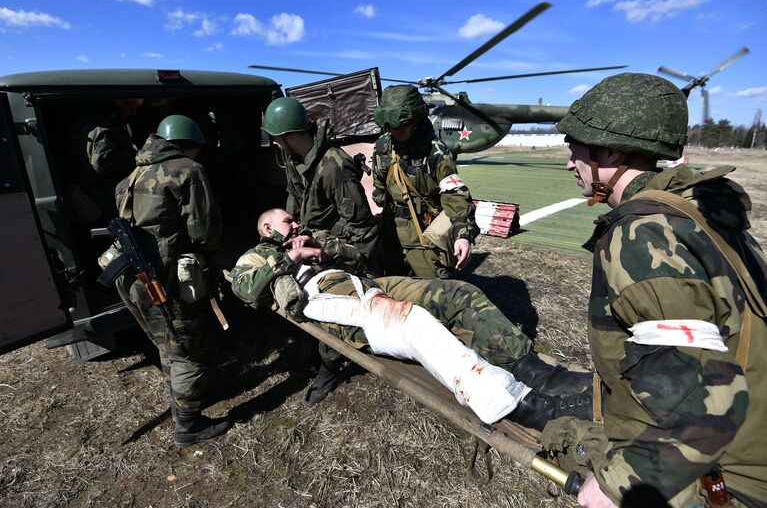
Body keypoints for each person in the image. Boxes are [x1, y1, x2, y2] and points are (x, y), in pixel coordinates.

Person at [547, 72, 767, 508]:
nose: (570, 162)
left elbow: (706, 397)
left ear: (610, 150)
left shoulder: (644, 236)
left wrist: (618, 485)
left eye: (576, 147)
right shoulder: (694, 211)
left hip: (726, 477)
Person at [229, 208, 593, 430]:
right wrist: (294, 258)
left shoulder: (312, 236)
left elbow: (358, 256)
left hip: (367, 283)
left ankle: (536, 371)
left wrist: (322, 249)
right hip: (327, 299)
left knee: (459, 294)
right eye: (286, 220)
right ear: (267, 229)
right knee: (414, 324)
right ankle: (525, 408)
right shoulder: (257, 255)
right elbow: (246, 289)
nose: (294, 222)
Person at [114, 115, 230, 447]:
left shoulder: (130, 178)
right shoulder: (188, 171)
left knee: (165, 342)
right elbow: (204, 231)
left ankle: (182, 401)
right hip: (165, 278)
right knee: (186, 350)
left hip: (133, 277)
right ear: (190, 144)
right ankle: (189, 425)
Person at [372, 85, 478, 279]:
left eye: (403, 124)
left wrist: (462, 234)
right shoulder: (383, 146)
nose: (397, 130)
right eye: (393, 125)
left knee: (433, 293)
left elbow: (455, 195)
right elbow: (379, 183)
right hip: (392, 235)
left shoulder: (435, 151)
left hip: (424, 237)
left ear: (415, 119)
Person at [261, 97, 379, 267]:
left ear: (288, 136)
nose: (274, 142)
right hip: (311, 242)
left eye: (276, 137)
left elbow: (362, 230)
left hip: (340, 251)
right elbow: (294, 202)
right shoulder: (293, 162)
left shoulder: (335, 167)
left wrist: (357, 266)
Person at [64, 98, 143, 226]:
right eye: (132, 107)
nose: (133, 113)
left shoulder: (105, 120)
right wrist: (138, 157)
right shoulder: (97, 122)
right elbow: (102, 162)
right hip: (100, 200)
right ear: (123, 103)